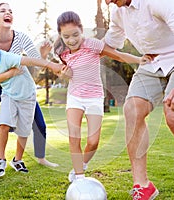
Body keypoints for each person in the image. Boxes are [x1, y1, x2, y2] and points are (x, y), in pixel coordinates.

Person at [104, 0, 174, 199]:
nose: (108, 1)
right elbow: (108, 46)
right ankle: (143, 186)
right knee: (132, 110)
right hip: (151, 62)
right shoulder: (118, 13)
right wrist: (78, 47)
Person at [0, 2, 58, 182]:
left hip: (17, 85)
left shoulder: (21, 37)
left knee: (39, 124)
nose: (8, 13)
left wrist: (44, 57)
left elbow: (33, 63)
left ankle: (40, 158)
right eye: (3, 11)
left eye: (10, 11)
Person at [53, 11, 150, 183]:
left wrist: (138, 59)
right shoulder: (63, 53)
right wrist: (64, 75)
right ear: (60, 35)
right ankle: (80, 178)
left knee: (93, 141)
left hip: (94, 97)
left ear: (82, 30)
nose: (72, 40)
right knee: (74, 137)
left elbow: (117, 55)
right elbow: (64, 73)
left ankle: (82, 165)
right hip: (75, 97)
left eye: (75, 34)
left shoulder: (93, 45)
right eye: (66, 36)